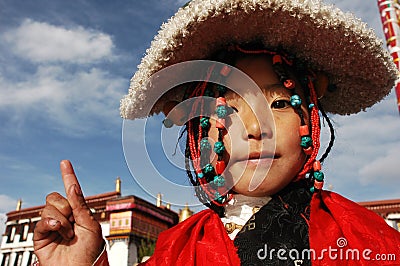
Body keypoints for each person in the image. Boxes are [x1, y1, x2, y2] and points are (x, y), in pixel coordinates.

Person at [33, 0, 400, 265]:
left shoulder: (366, 240)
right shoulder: (173, 250)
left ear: (311, 115)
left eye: (279, 104)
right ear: (200, 134)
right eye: (227, 111)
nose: (256, 129)